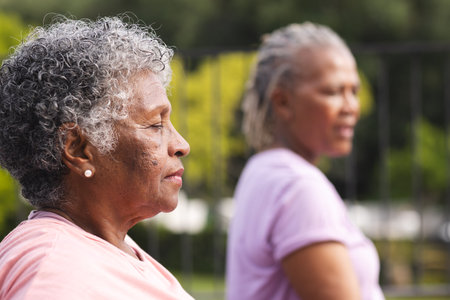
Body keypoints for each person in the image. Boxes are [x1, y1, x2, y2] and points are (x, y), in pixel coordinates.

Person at [0, 15, 193, 299]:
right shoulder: (57, 270)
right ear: (78, 149)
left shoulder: (106, 248)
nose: (181, 145)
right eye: (155, 124)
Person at [226, 23, 385, 300]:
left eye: (354, 91)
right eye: (333, 92)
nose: (351, 107)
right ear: (283, 102)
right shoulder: (298, 187)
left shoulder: (264, 170)